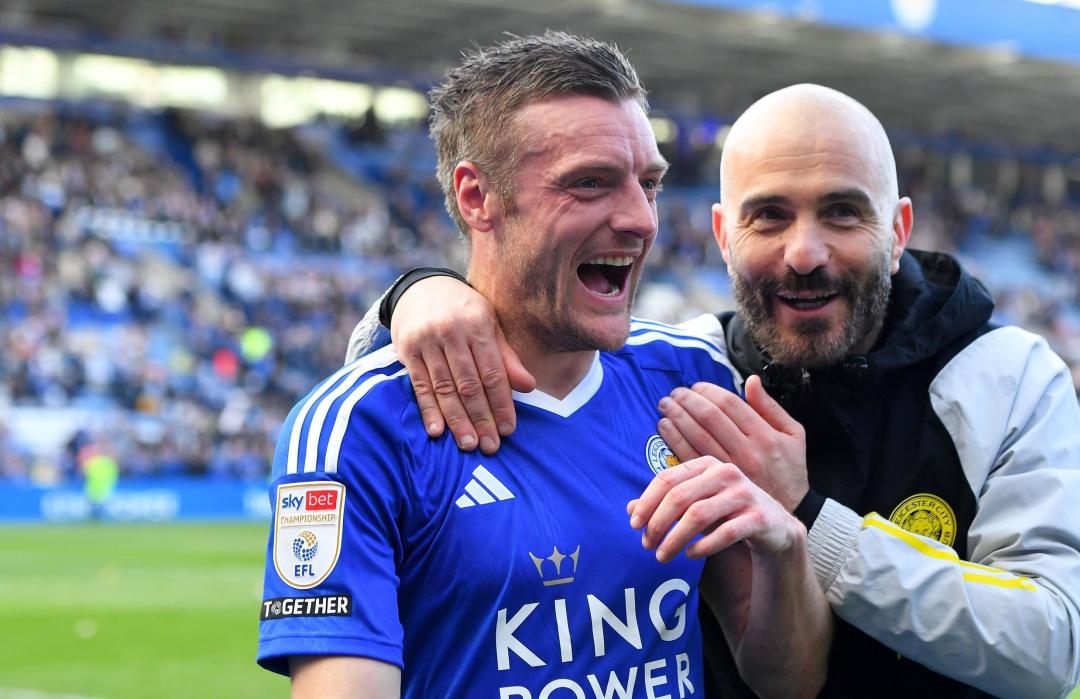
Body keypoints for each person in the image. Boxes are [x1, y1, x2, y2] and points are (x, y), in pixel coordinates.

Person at [350, 83, 1080, 698]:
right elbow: (470, 354)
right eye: (769, 216)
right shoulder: (689, 369)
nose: (806, 252)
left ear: (898, 230)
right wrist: (413, 296)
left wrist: (811, 521)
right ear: (722, 235)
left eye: (843, 213)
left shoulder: (1005, 375)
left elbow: (1050, 642)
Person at [258, 33, 828, 699]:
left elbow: (788, 681)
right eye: (589, 183)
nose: (642, 220)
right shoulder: (358, 429)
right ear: (478, 198)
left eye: (649, 183)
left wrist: (785, 549)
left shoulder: (690, 380)